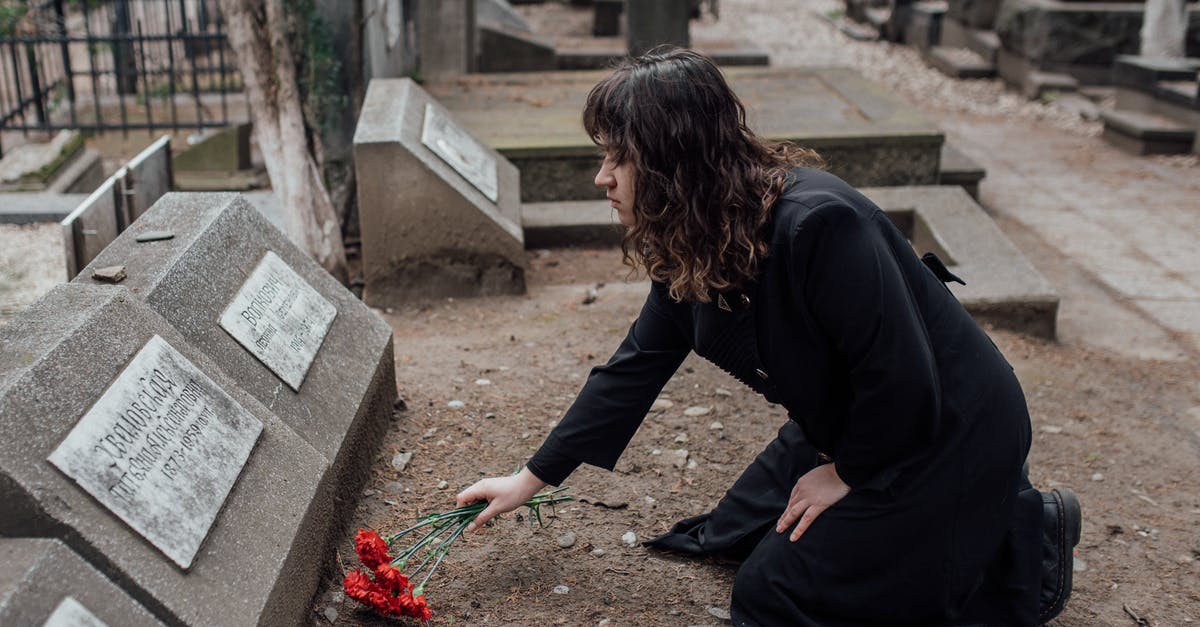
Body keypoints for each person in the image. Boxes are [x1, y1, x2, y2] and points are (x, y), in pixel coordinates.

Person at [456, 47, 1080, 626]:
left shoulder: (820, 226)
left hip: (945, 427)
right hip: (854, 416)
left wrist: (847, 473)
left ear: (674, 161)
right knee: (730, 532)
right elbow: (633, 369)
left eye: (618, 157)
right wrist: (529, 479)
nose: (603, 178)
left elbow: (905, 378)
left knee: (772, 593)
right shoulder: (696, 240)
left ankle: (1023, 538)